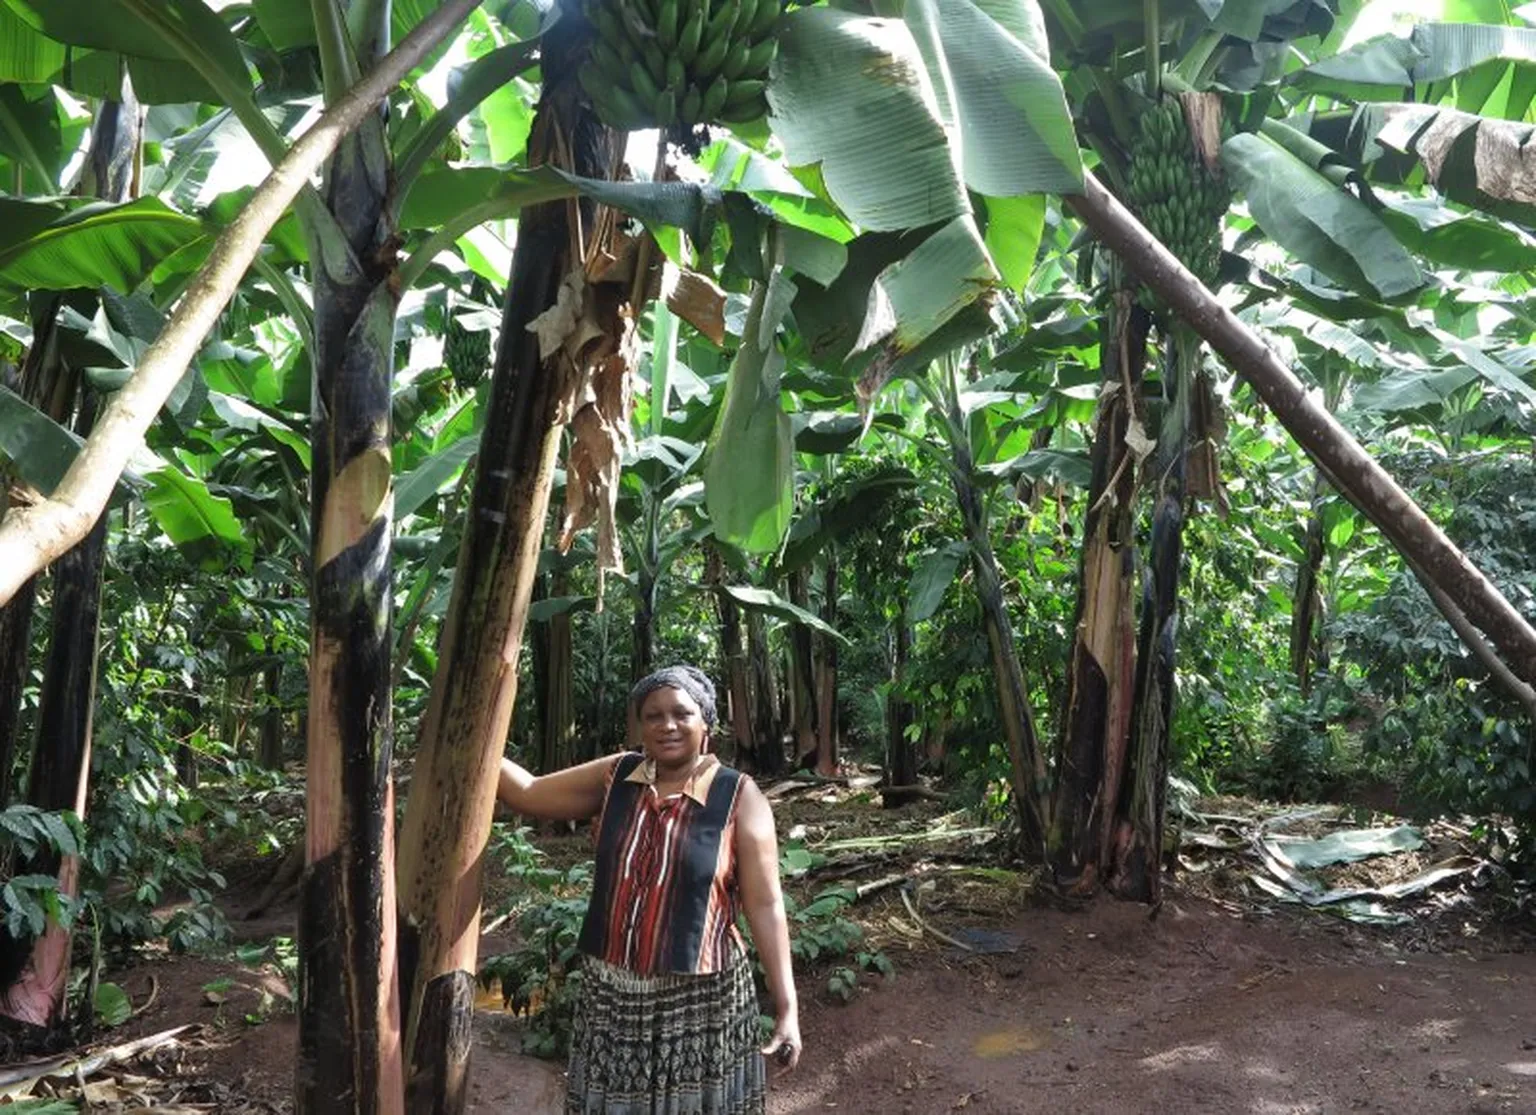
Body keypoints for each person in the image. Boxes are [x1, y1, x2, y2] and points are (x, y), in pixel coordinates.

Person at [497, 664, 801, 1114]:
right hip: (613, 995)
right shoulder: (618, 776)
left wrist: (787, 1008)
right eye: (653, 715)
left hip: (702, 1000)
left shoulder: (738, 796)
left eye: (682, 713)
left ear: (706, 723)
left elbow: (765, 904)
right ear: (640, 726)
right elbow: (529, 793)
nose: (667, 725)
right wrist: (468, 736)